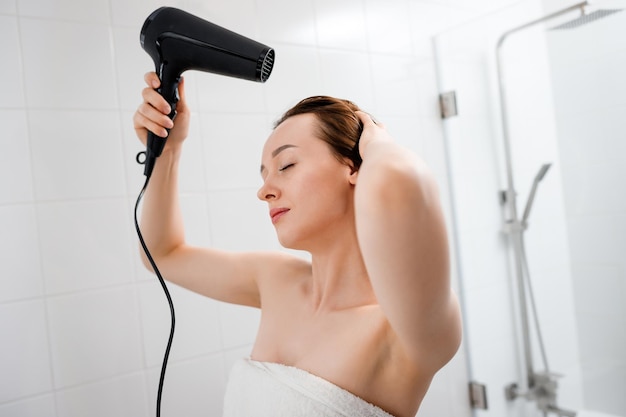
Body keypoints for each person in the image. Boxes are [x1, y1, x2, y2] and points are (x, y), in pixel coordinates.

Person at [133, 72, 462, 417]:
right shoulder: (275, 279)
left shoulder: (409, 327)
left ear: (354, 166)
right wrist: (167, 152)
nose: (264, 191)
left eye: (286, 165)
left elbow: (401, 180)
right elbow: (161, 253)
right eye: (264, 175)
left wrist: (376, 139)